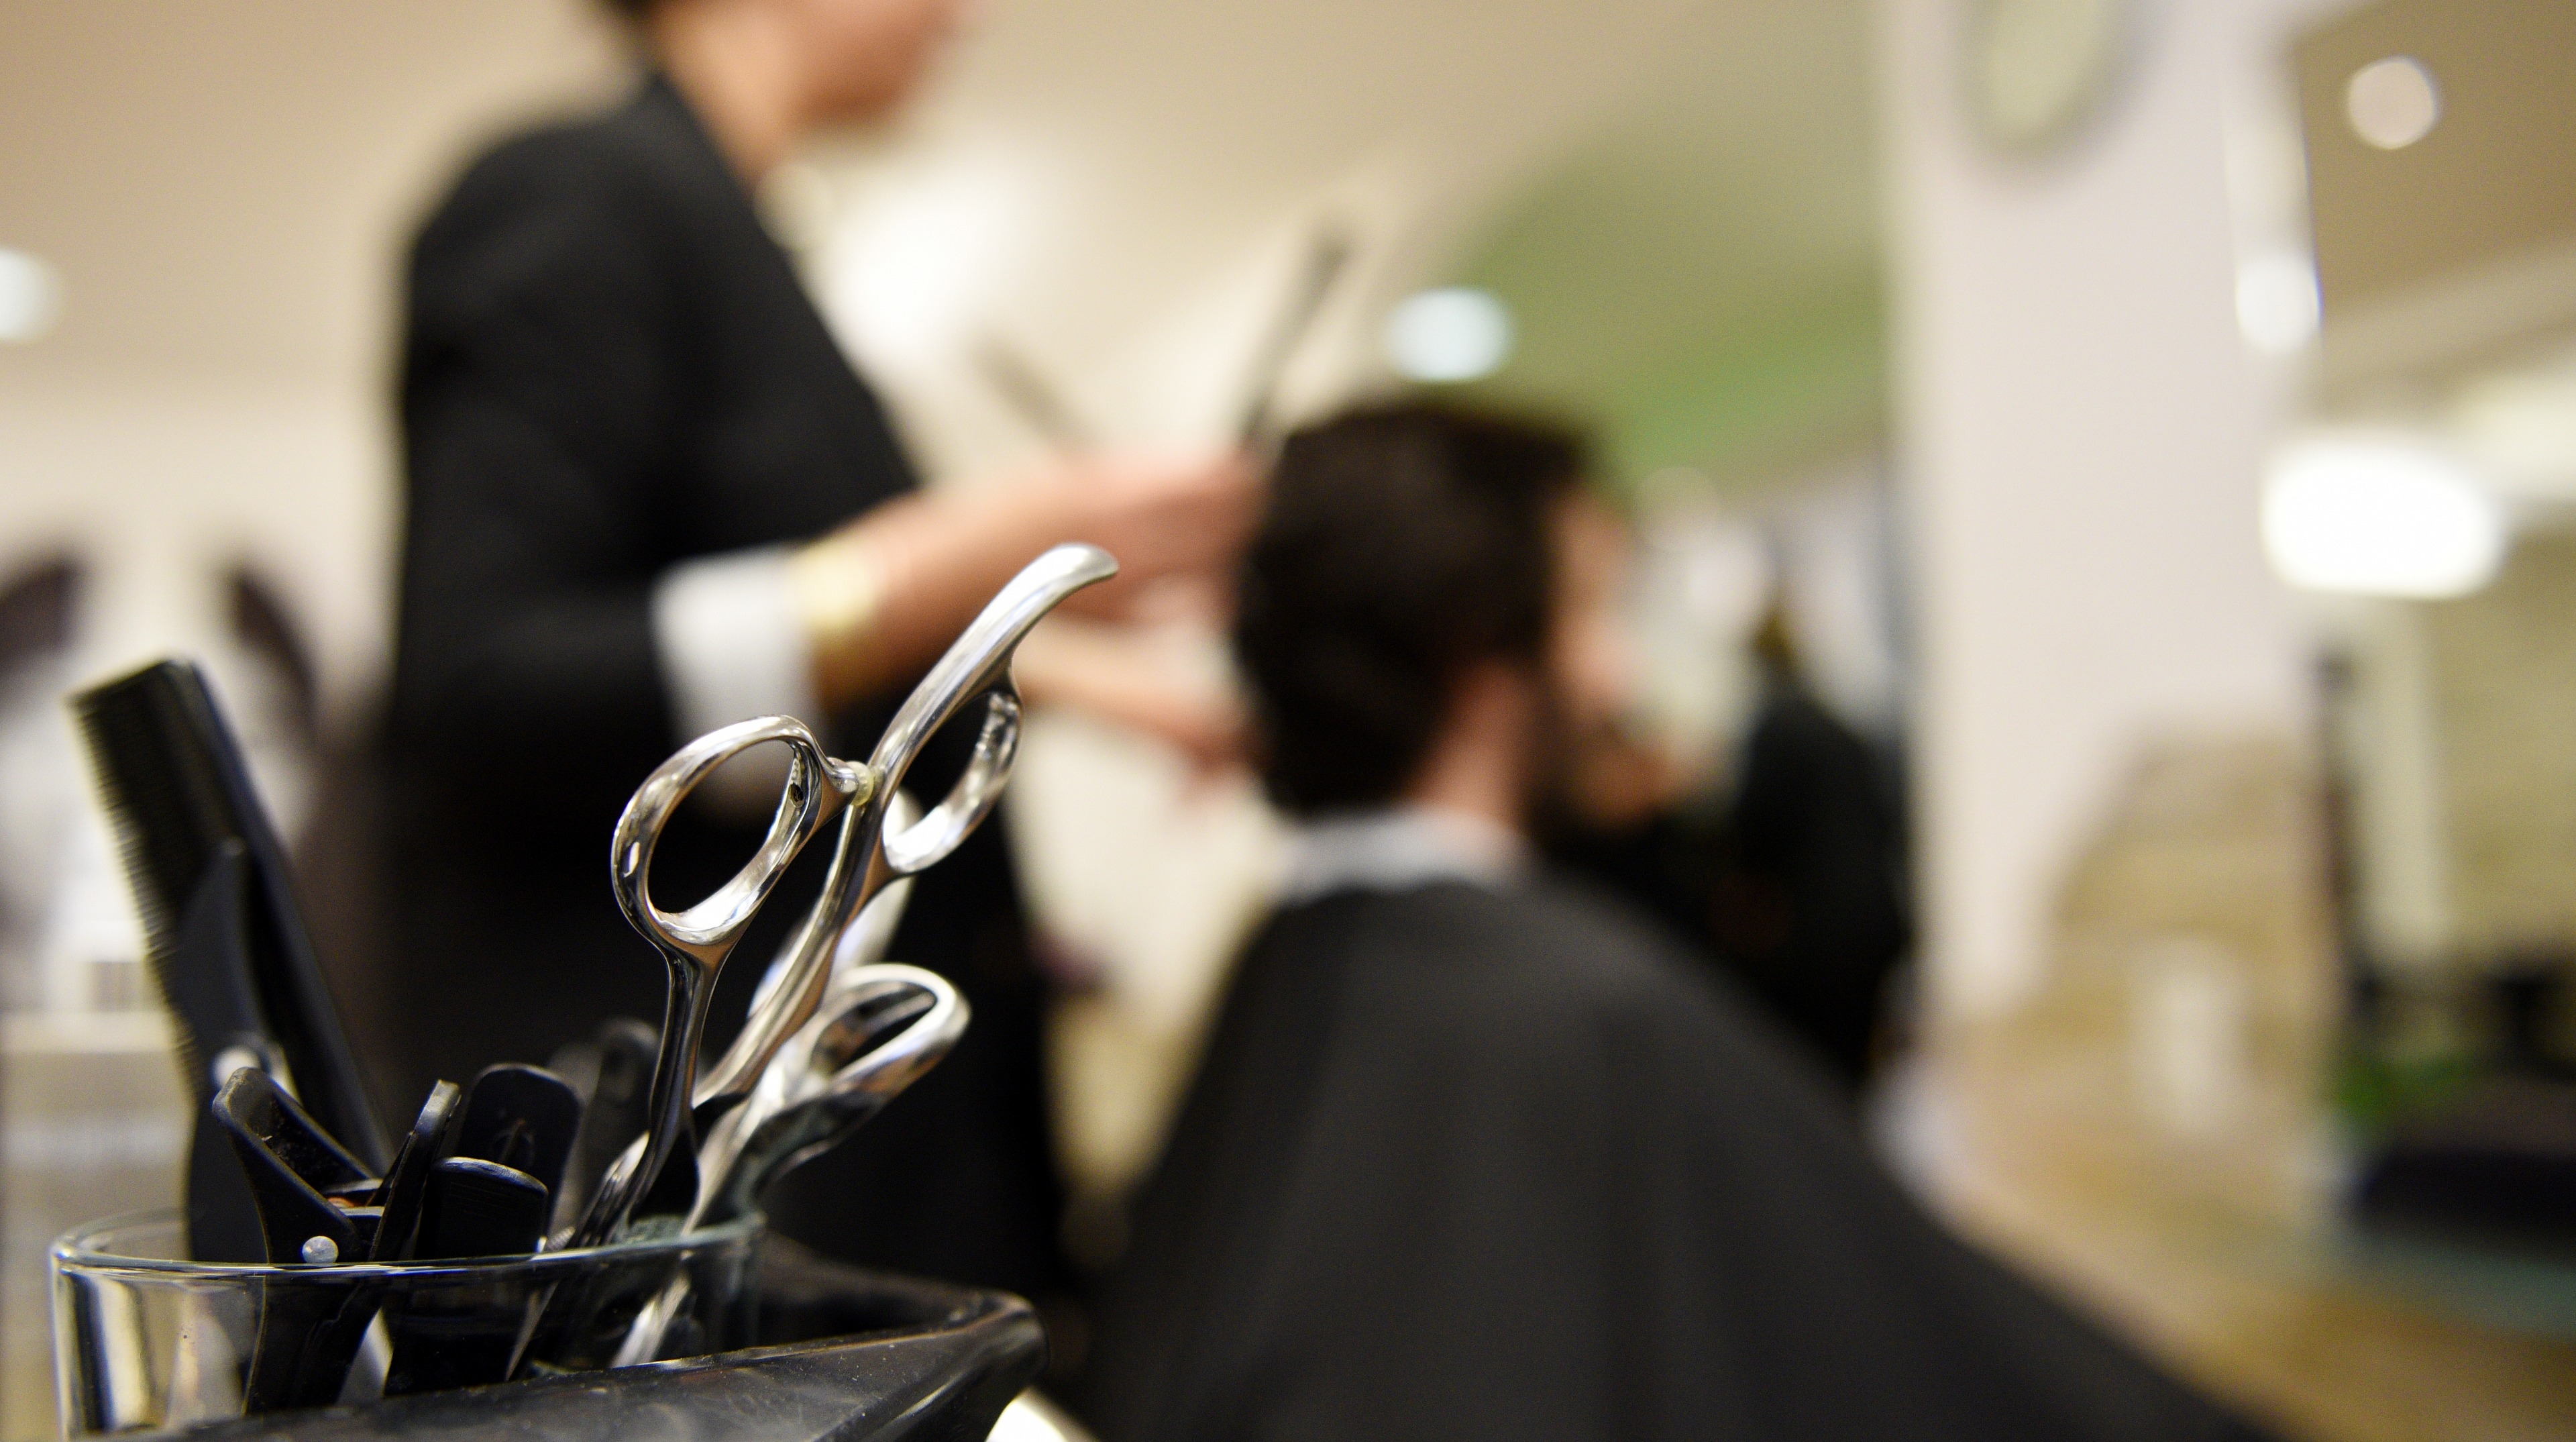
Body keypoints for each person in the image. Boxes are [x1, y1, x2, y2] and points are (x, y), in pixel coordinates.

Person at [1078, 401, 2268, 1441]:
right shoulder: (1579, 1009)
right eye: (1591, 609)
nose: (1617, 676)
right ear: (1478, 655)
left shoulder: (1281, 962)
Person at [381, 0, 1254, 1307]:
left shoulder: (741, 243)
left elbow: (765, 634)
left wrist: (1046, 655)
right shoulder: (578, 191)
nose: (964, 13)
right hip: (686, 1228)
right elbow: (488, 685)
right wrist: (946, 560)